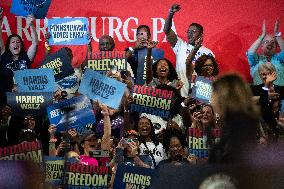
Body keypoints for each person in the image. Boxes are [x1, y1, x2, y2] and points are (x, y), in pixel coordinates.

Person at [164, 4, 214, 97]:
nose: (189, 34)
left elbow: (212, 75)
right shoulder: (180, 45)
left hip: (201, 95)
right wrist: (171, 13)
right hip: (182, 93)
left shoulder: (208, 52)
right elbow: (167, 30)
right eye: (188, 31)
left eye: (193, 32)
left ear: (201, 35)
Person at [209, 74, 260, 163]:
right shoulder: (238, 122)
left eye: (213, 94)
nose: (212, 101)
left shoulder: (239, 126)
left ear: (224, 96)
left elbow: (235, 162)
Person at [0, 12, 38, 104]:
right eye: (13, 42)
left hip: (23, 102)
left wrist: (31, 25)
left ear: (21, 45)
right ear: (8, 46)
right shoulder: (3, 56)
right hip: (4, 102)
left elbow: (35, 43)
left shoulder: (26, 57)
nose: (16, 44)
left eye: (18, 42)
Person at [251, 63, 284, 143]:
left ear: (274, 73)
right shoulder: (254, 89)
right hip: (261, 131)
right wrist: (266, 86)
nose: (266, 77)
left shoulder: (281, 90)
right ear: (259, 75)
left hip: (278, 128)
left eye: (269, 74)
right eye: (263, 74)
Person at [247, 20, 284, 86]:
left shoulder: (279, 58)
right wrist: (262, 35)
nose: (270, 44)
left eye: (273, 42)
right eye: (266, 42)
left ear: (276, 46)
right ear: (261, 45)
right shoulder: (257, 59)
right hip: (259, 93)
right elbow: (250, 53)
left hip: (280, 93)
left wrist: (277, 34)